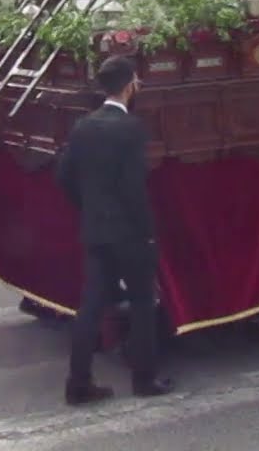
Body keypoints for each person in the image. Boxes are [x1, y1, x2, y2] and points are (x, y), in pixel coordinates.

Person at [55, 55, 172, 405]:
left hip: (96, 230)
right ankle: (144, 378)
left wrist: (89, 208)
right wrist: (147, 231)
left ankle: (78, 382)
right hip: (130, 233)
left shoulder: (83, 126)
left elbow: (64, 177)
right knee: (141, 303)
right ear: (128, 86)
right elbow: (134, 188)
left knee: (90, 306)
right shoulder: (132, 128)